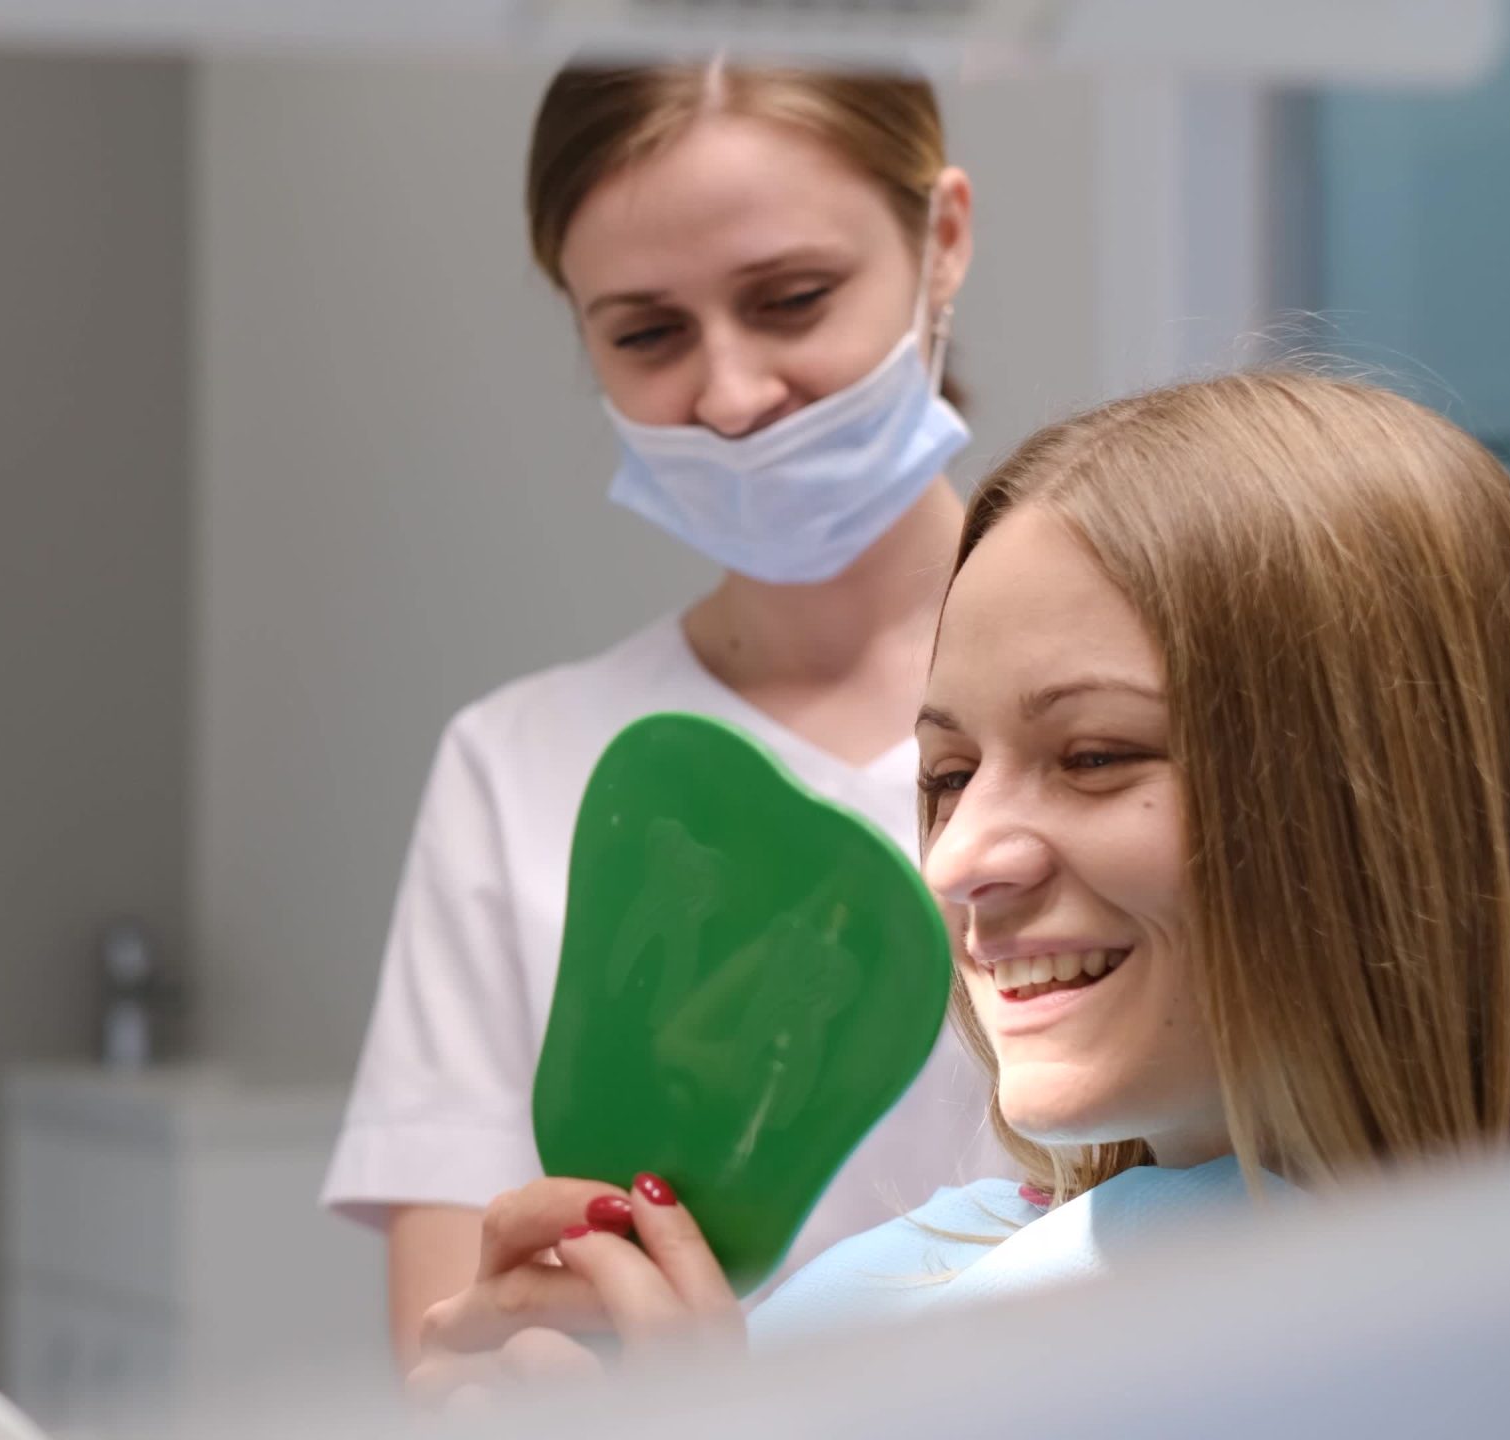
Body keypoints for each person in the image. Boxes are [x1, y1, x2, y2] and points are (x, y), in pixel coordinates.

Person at [403, 370, 1510, 1403]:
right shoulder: (904, 1296)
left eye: (1094, 756)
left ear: (1389, 790)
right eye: (946, 773)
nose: (957, 861)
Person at [323, 60, 1006, 1365]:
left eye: (793, 299)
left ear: (944, 239)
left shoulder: (1147, 720)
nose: (733, 395)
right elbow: (453, 1353)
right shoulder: (518, 768)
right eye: (647, 334)